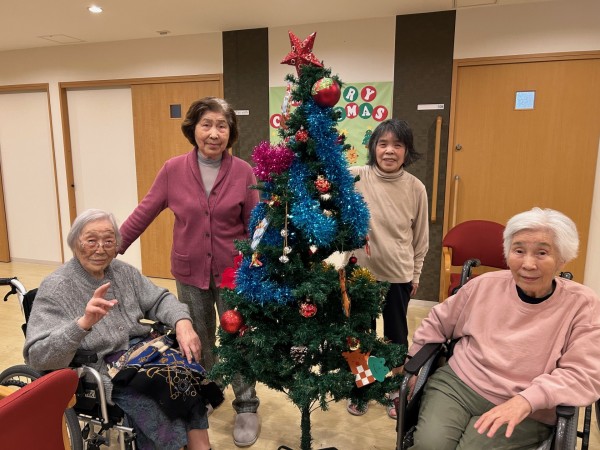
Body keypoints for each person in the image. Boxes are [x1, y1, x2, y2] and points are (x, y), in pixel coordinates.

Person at [119, 96, 261, 447]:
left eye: (221, 126)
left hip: (233, 272)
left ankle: (247, 405)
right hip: (189, 270)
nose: (214, 133)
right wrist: (111, 246)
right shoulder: (173, 169)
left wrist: (261, 268)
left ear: (230, 132)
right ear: (193, 129)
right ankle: (209, 392)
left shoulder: (243, 171)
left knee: (239, 339)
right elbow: (145, 211)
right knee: (198, 338)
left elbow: (256, 226)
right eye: (206, 124)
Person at [407, 207, 600, 449]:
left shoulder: (582, 304)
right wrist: (414, 363)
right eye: (518, 250)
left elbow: (583, 373)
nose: (528, 264)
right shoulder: (483, 285)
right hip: (459, 385)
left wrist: (527, 400)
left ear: (563, 258)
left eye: (542, 253)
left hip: (528, 407)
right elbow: (438, 322)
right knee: (429, 445)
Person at [24, 209, 212, 450]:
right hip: (104, 368)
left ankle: (200, 446)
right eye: (91, 240)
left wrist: (182, 322)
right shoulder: (56, 288)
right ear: (75, 243)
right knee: (158, 396)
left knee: (187, 376)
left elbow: (159, 299)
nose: (100, 248)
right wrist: (82, 324)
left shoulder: (123, 272)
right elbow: (38, 356)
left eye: (108, 240)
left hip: (144, 353)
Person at [347, 118, 429, 418]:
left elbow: (421, 238)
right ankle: (363, 387)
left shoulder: (416, 188)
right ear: (373, 148)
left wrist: (415, 274)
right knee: (359, 335)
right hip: (360, 274)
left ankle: (394, 389)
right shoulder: (355, 176)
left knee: (396, 336)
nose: (389, 151)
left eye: (397, 145)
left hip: (398, 273)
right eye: (383, 144)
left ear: (407, 151)